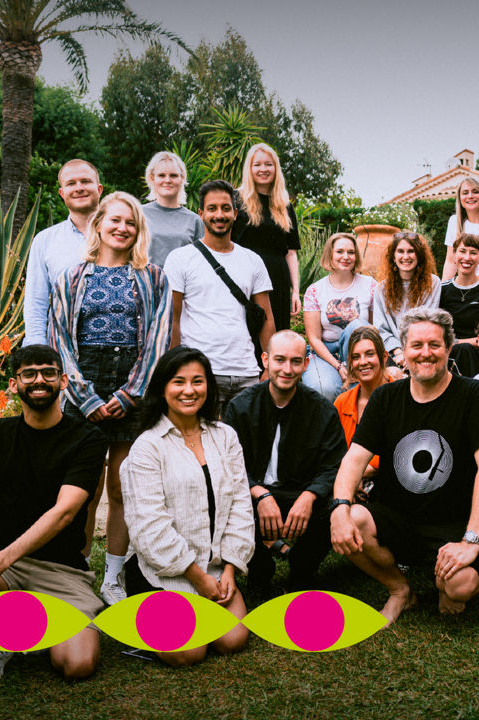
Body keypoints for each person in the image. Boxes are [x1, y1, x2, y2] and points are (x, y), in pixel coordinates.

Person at [0, 344, 107, 684]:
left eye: (48, 372)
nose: (39, 380)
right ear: (14, 384)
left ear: (62, 381)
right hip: (1, 562)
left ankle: (31, 621)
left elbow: (63, 513)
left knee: (78, 664)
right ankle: (0, 639)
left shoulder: (87, 438)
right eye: (28, 373)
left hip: (61, 569)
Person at [329, 308, 479, 622]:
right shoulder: (385, 399)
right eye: (417, 345)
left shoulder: (474, 395)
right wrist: (340, 507)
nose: (426, 353)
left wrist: (471, 541)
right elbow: (354, 459)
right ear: (403, 352)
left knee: (461, 587)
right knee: (350, 520)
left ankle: (444, 582)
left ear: (448, 349)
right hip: (398, 521)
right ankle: (400, 591)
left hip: (454, 525)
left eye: (434, 345)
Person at [48, 190, 172, 606]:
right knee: (81, 490)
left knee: (123, 490)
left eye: (130, 223)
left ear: (139, 231)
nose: (122, 228)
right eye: (115, 220)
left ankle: (113, 577)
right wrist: (84, 397)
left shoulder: (153, 277)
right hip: (83, 388)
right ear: (97, 224)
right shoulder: (70, 277)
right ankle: (76, 569)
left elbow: (157, 340)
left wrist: (131, 393)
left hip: (131, 391)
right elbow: (60, 341)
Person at [121, 346, 253, 667]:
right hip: (164, 571)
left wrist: (230, 569)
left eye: (198, 381)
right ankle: (145, 621)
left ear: (209, 386)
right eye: (179, 382)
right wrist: (196, 577)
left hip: (217, 569)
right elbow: (149, 527)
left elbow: (240, 507)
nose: (189, 390)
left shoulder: (225, 437)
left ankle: (194, 614)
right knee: (187, 653)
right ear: (163, 389)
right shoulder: (147, 447)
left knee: (233, 639)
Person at [224, 331, 346, 596]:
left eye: (295, 361)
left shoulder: (322, 410)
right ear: (265, 360)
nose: (287, 369)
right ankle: (259, 570)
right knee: (226, 504)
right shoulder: (240, 407)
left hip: (299, 492)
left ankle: (302, 568)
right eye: (280, 360)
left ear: (306, 364)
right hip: (253, 491)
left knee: (333, 507)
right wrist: (259, 492)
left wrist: (310, 496)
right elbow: (228, 464)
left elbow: (334, 465)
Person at [165, 180, 276, 413]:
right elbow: (172, 319)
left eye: (226, 208)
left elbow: (266, 319)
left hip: (247, 373)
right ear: (201, 214)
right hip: (201, 374)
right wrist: (178, 369)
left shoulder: (252, 260)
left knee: (246, 448)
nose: (219, 214)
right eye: (212, 208)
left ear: (235, 214)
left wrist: (270, 368)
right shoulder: (180, 259)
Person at [24, 159, 103, 345]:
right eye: (71, 184)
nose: (79, 188)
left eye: (85, 181)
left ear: (99, 189)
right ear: (62, 193)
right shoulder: (45, 241)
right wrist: (36, 346)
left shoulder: (123, 234)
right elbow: (36, 301)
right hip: (64, 348)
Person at [301, 232, 377, 400]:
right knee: (323, 388)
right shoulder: (315, 290)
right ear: (330, 254)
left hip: (359, 351)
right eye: (340, 252)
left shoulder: (370, 285)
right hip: (326, 352)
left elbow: (372, 329)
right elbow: (314, 338)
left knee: (358, 326)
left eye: (351, 252)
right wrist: (338, 366)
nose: (346, 257)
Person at [234, 143, 301, 331]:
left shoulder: (284, 204)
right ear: (250, 168)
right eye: (257, 165)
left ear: (275, 168)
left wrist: (295, 291)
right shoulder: (236, 200)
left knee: (276, 332)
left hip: (276, 278)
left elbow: (290, 252)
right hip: (243, 276)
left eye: (268, 164)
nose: (263, 169)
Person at [332, 326, 401, 494]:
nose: (363, 362)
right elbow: (332, 452)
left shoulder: (401, 398)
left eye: (370, 354)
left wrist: (356, 474)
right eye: (356, 357)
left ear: (384, 357)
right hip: (348, 487)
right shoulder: (342, 402)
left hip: (392, 486)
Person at [372, 231, 441, 366]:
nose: (405, 256)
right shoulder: (381, 289)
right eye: (400, 251)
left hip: (423, 349)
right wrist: (398, 352)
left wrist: (412, 351)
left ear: (419, 255)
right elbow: (381, 329)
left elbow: (428, 322)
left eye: (411, 251)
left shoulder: (433, 283)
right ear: (393, 257)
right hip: (393, 352)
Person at [440, 234, 479, 376]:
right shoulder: (441, 290)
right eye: (462, 251)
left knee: (465, 350)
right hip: (447, 350)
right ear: (455, 255)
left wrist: (462, 343)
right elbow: (436, 328)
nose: (467, 257)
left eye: (473, 253)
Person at [142, 150, 205, 268]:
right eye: (161, 175)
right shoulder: (139, 214)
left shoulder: (195, 220)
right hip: (146, 283)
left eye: (173, 175)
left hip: (183, 285)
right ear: (152, 178)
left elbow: (201, 262)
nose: (167, 180)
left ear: (182, 179)